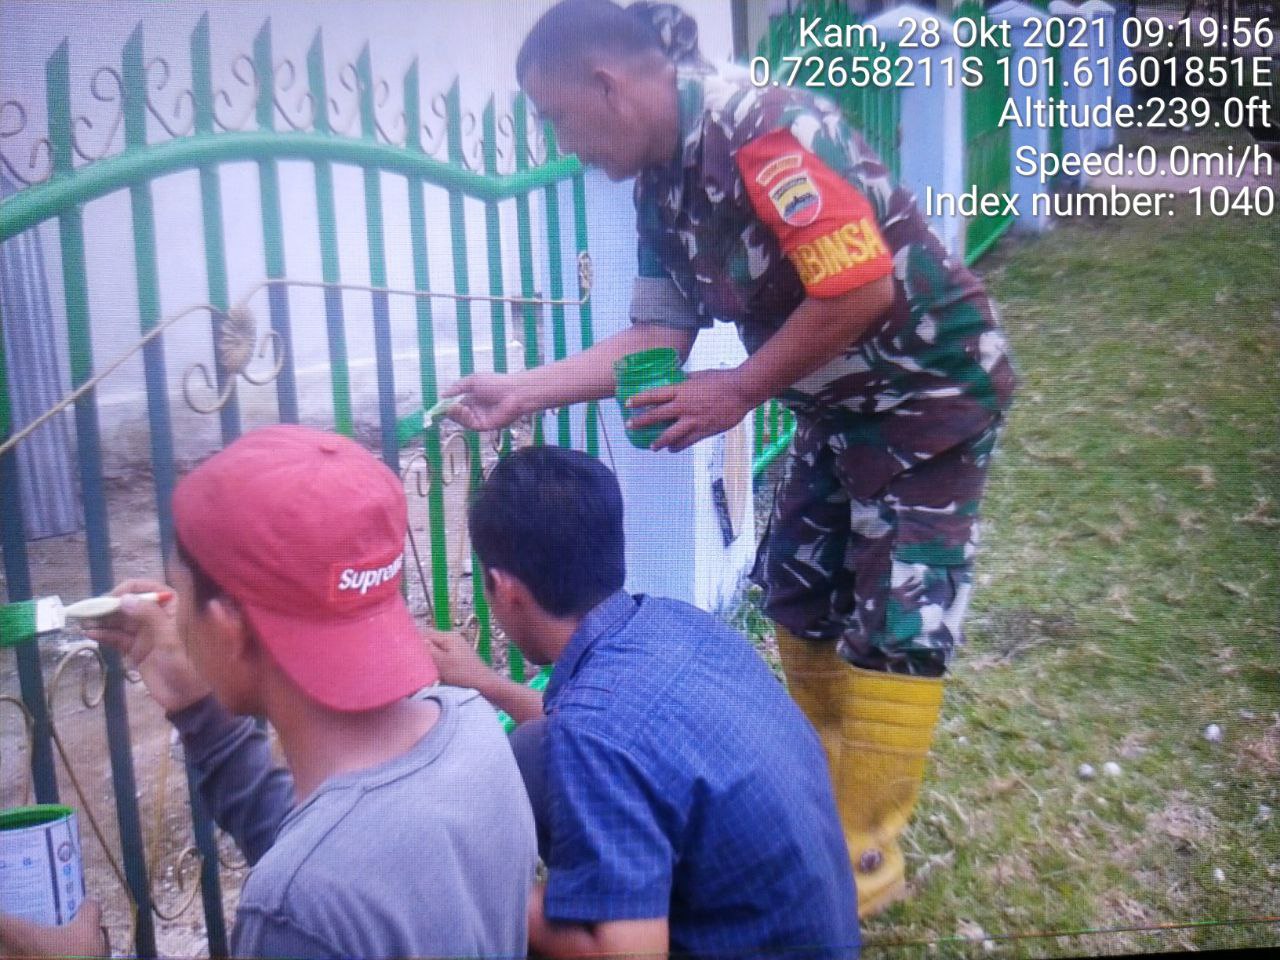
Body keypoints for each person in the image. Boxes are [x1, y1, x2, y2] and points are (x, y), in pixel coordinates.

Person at [443, 0, 1017, 916]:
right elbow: (653, 333)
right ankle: (821, 784)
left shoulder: (767, 129)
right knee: (794, 583)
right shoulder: (659, 187)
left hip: (928, 390)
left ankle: (865, 843)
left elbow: (860, 284)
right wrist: (525, 389)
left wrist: (741, 387)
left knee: (899, 610)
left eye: (557, 116)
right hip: (839, 402)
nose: (561, 140)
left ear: (608, 85)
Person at [5, 425, 537, 959]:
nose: (178, 624)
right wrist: (198, 709)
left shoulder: (292, 912)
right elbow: (332, 847)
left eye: (180, 599)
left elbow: (317, 880)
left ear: (229, 625)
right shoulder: (470, 725)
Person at [425, 444, 859, 958]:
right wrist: (486, 682)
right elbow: (615, 733)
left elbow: (628, 955)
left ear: (504, 589)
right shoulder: (671, 621)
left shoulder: (594, 734)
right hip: (809, 930)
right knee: (534, 751)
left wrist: (477, 899)